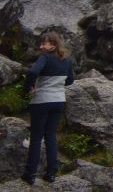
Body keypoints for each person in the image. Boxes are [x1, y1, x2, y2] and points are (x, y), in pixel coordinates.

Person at [22, 31, 74, 184]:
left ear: (53, 44)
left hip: (42, 101)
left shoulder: (44, 57)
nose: (41, 46)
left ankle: (30, 174)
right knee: (51, 136)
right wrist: (56, 85)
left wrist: (28, 88)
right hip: (58, 101)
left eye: (44, 43)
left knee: (36, 137)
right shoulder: (67, 60)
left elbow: (32, 71)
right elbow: (70, 81)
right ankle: (51, 174)